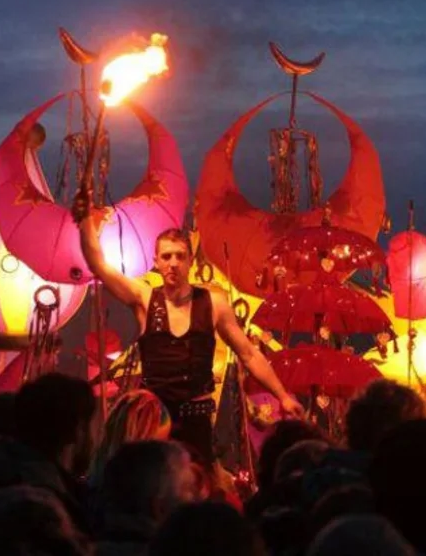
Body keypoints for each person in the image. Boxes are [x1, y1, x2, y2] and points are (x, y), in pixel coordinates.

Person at [73, 187, 304, 461]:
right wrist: (86, 220)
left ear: (190, 261)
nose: (173, 263)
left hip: (197, 421)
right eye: (167, 256)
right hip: (154, 421)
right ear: (156, 262)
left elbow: (249, 353)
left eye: (180, 256)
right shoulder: (144, 298)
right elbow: (98, 264)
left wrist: (282, 396)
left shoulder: (214, 304)